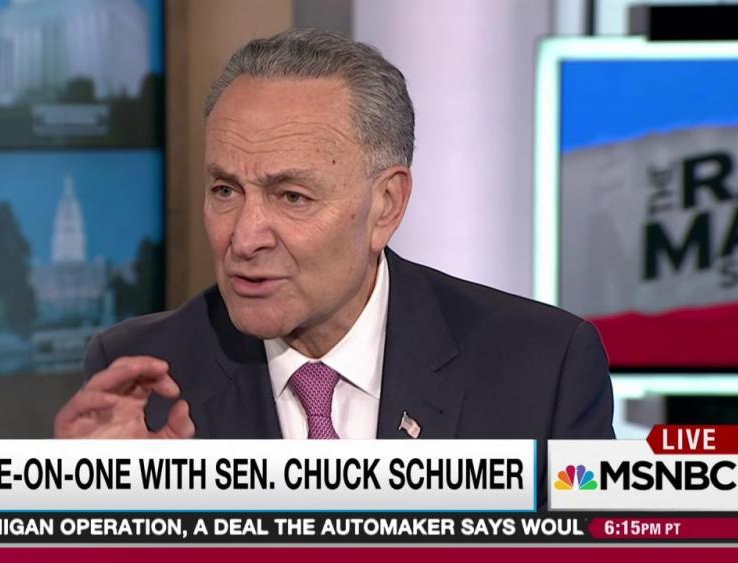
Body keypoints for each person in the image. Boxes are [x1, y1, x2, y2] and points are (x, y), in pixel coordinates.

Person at [54, 29, 614, 480]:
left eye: (291, 197)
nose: (244, 239)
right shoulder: (142, 377)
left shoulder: (543, 368)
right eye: (225, 191)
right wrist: (96, 515)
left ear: (386, 206)